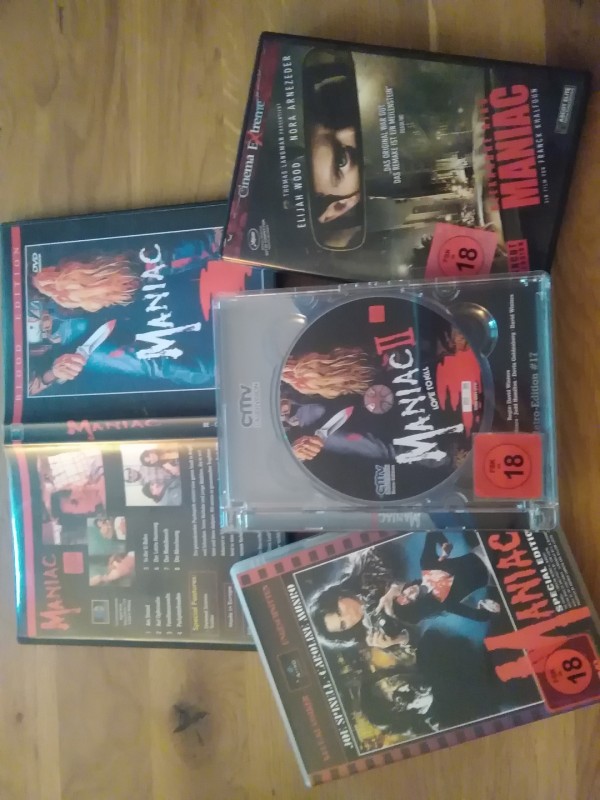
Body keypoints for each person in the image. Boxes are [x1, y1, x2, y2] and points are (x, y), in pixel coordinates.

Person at [375, 531, 500, 624]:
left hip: (484, 550)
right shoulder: (445, 603)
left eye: (404, 594)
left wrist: (444, 544)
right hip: (496, 574)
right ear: (418, 606)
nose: (409, 592)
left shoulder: (426, 564)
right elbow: (479, 616)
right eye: (410, 599)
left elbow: (432, 534)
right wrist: (483, 604)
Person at [309, 545, 413, 651]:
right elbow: (417, 634)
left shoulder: (361, 568)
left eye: (339, 612)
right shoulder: (373, 632)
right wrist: (399, 639)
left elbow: (391, 555)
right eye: (343, 625)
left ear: (337, 596)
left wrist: (395, 588)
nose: (348, 616)